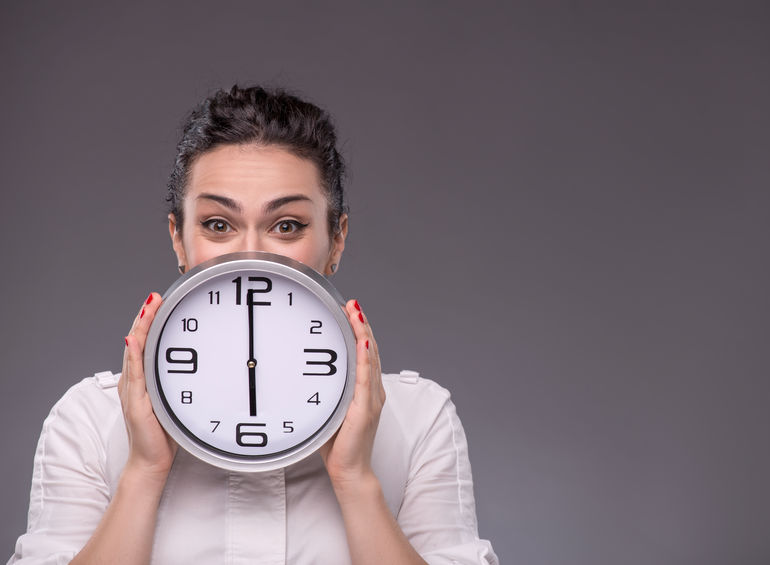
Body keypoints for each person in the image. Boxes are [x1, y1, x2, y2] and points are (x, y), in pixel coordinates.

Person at [8, 85, 498, 565]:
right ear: (179, 239)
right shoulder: (91, 423)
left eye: (286, 225)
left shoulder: (418, 421)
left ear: (338, 240)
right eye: (219, 225)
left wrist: (355, 480)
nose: (251, 254)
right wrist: (143, 471)